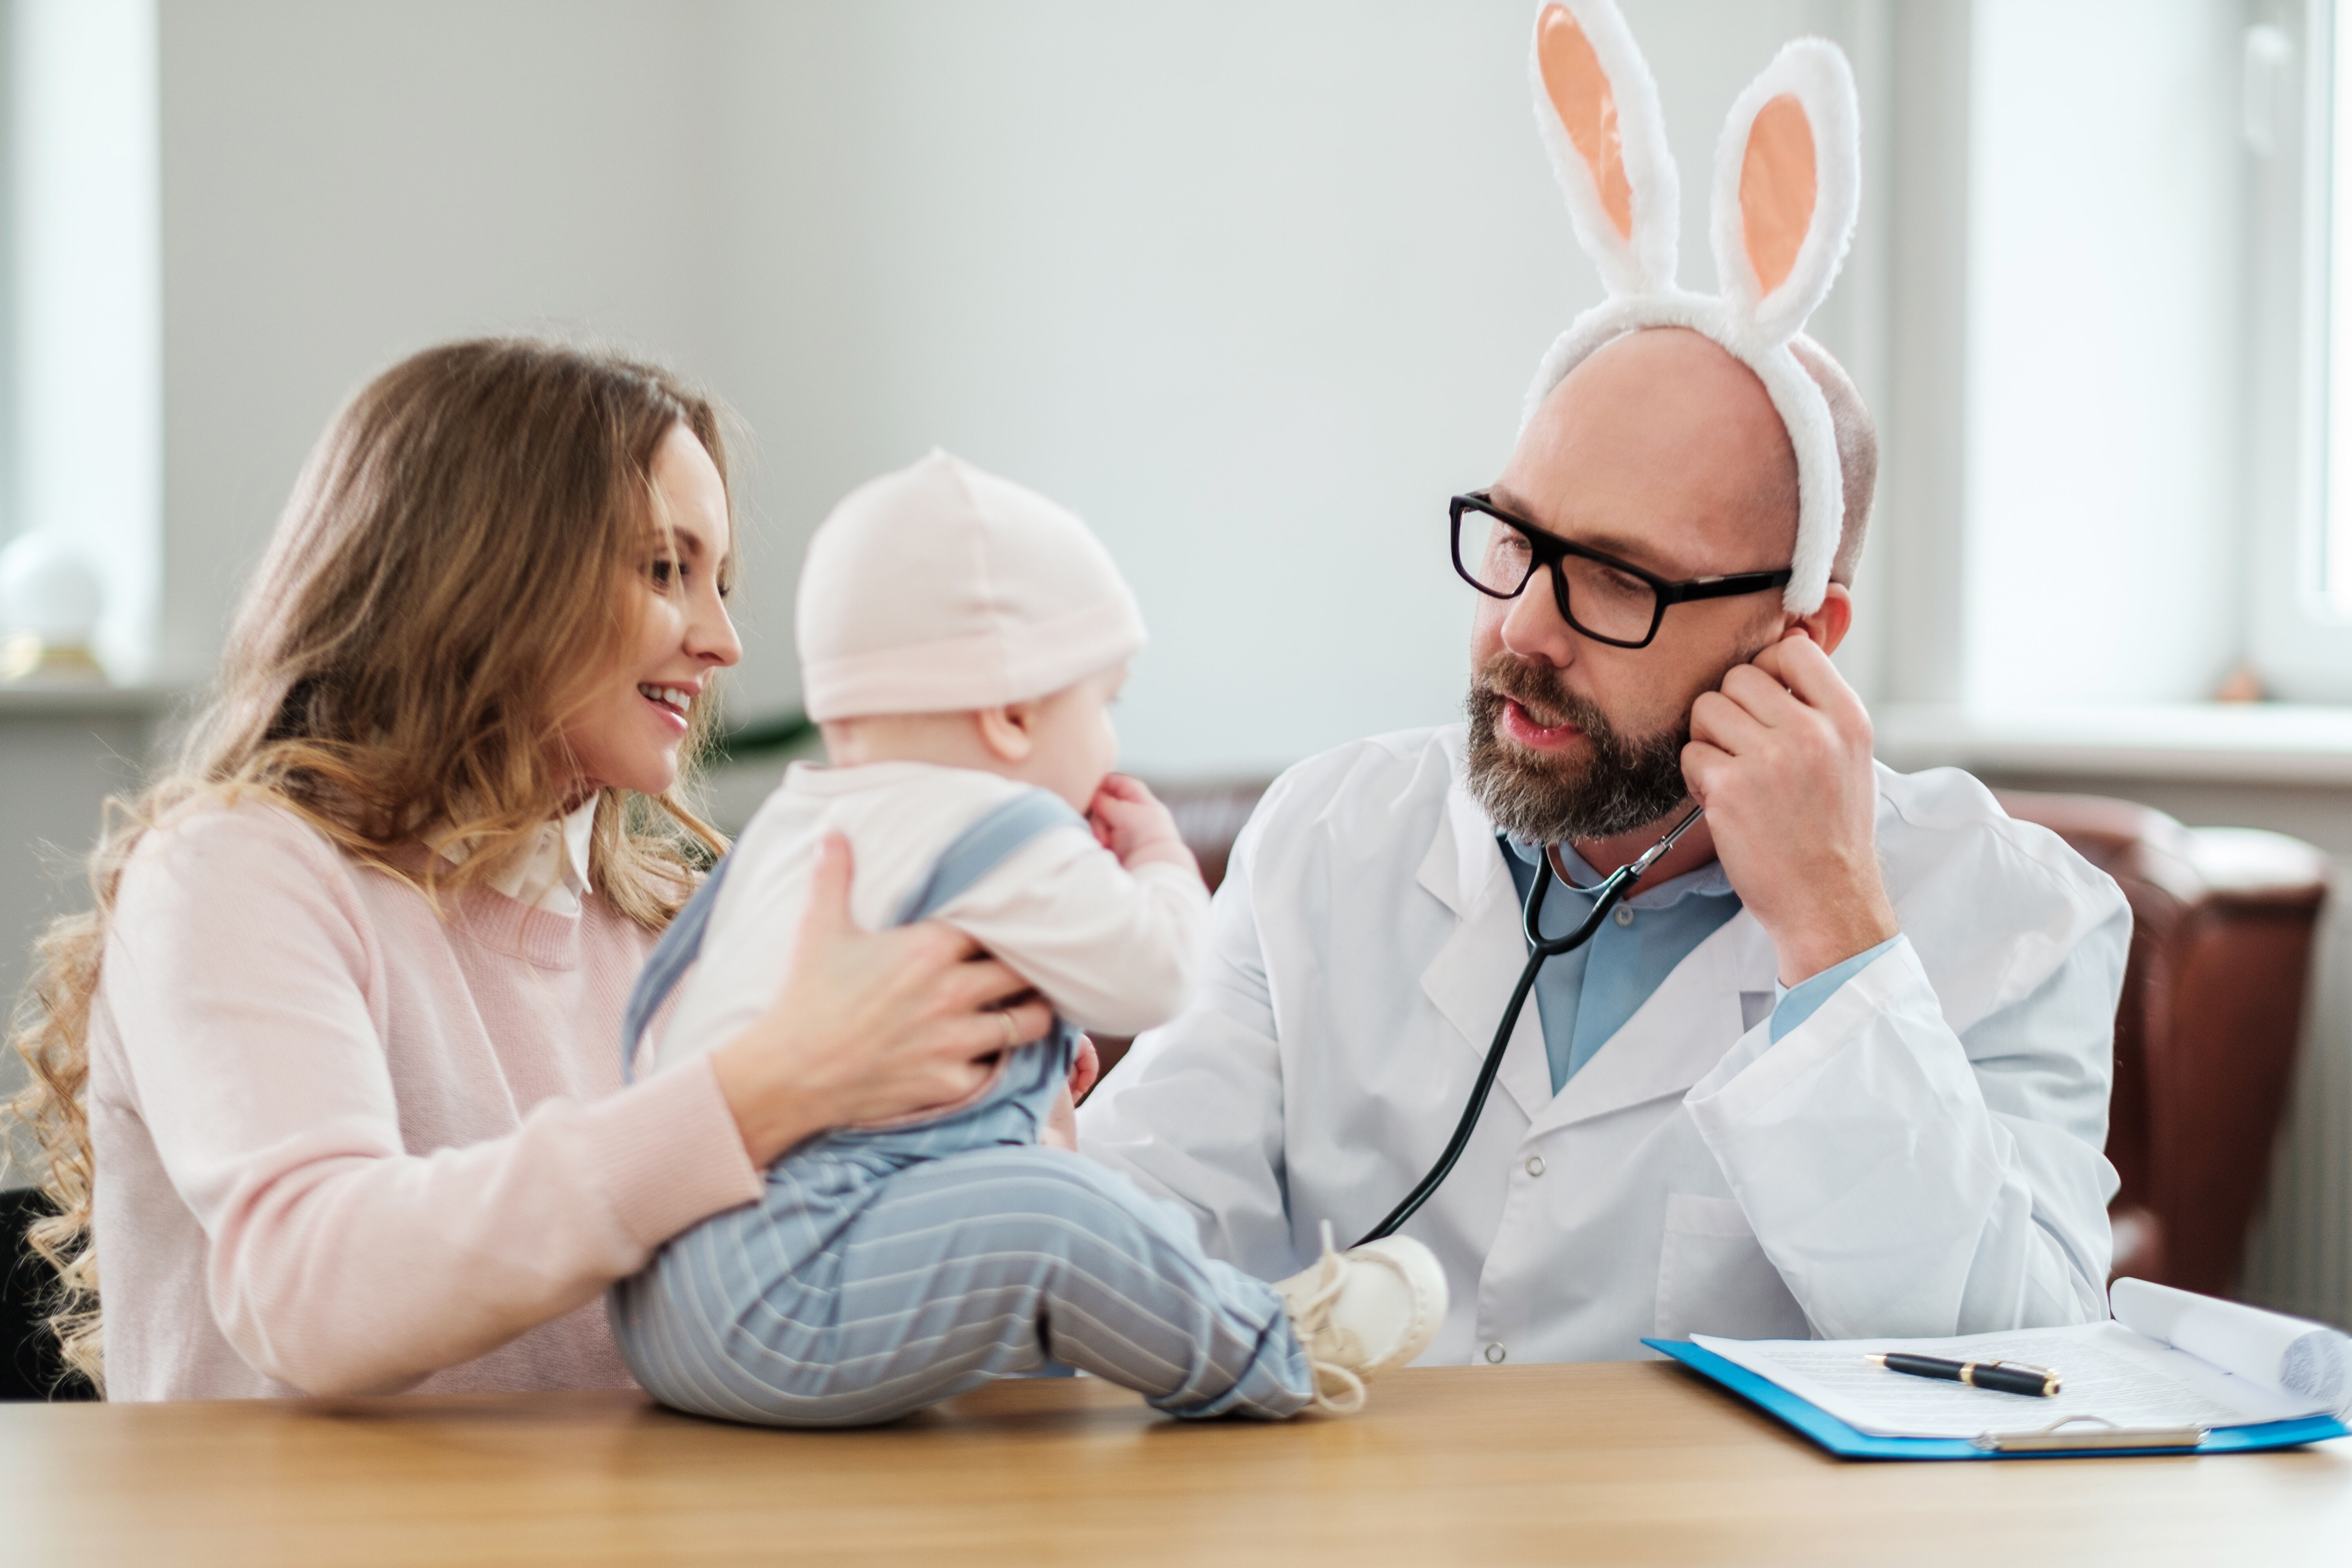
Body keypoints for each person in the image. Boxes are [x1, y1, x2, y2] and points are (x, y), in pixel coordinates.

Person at [1077, 3, 2127, 1363]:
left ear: (1801, 638)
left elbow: (2024, 1367)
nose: (1523, 627)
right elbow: (1124, 1239)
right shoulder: (1329, 839)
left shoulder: (2010, 914)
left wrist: (1836, 938)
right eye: (1516, 540)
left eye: (1619, 580)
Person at [6, 340, 1069, 1399]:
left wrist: (999, 1129)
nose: (723, 640)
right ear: (490, 578)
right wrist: (756, 1096)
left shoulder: (679, 927)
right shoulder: (236, 874)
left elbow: (837, 1312)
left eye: (720, 580)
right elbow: (314, 1291)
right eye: (666, 570)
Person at [610, 450, 1445, 1425]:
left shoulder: (795, 830)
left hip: (660, 1308)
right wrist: (1164, 864)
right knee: (1053, 1212)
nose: (1108, 742)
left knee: (1020, 1185)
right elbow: (1159, 979)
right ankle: (1265, 1347)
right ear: (1010, 714)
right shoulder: (995, 825)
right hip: (792, 1294)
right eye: (1104, 702)